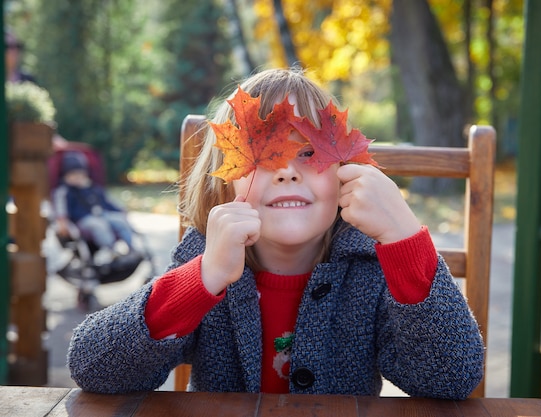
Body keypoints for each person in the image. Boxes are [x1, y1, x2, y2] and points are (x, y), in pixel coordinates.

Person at [67, 68, 484, 399]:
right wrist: (202, 278)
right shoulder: (204, 254)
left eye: (308, 152)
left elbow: (451, 378)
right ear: (224, 182)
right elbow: (92, 366)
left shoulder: (368, 264)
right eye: (263, 154)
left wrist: (405, 238)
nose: (286, 170)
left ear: (346, 171)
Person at [53, 151, 134, 255]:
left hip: (102, 214)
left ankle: (131, 248)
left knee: (120, 221)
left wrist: (119, 210)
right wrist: (62, 220)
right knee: (99, 226)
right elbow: (61, 209)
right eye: (73, 174)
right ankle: (111, 251)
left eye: (80, 174)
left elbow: (106, 202)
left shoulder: (92, 188)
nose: (77, 177)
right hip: (82, 219)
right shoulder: (65, 191)